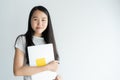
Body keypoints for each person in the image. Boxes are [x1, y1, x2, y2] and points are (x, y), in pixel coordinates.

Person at [13, 5, 61, 80]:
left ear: (48, 22)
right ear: (30, 20)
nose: (39, 23)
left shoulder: (50, 42)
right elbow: (17, 71)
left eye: (43, 20)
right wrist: (47, 67)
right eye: (35, 19)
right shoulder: (22, 40)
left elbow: (49, 73)